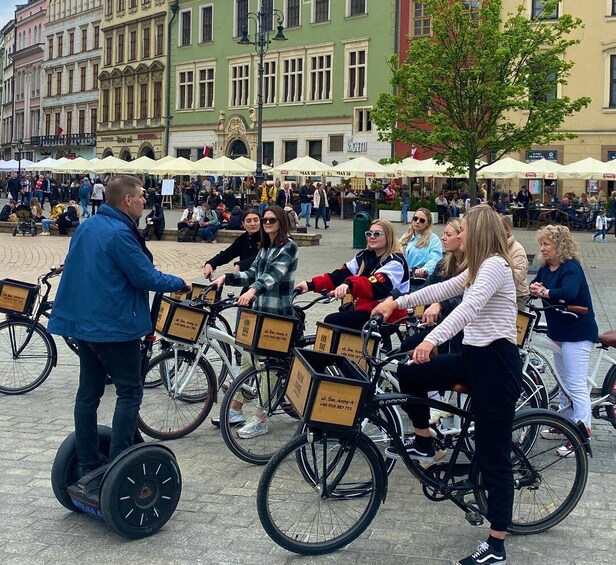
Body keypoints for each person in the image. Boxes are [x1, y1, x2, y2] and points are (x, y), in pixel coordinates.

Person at [373, 205, 522, 565]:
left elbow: (467, 310)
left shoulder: (495, 267)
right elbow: (440, 289)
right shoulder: (476, 268)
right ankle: (424, 441)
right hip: (474, 358)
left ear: (479, 233)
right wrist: (395, 302)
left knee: (493, 456)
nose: (460, 233)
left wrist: (430, 340)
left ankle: (497, 543)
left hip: (497, 365)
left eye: (465, 229)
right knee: (409, 374)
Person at [47, 175, 190, 477]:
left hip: (85, 325)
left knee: (88, 393)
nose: (144, 202)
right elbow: (145, 277)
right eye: (140, 197)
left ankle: (88, 461)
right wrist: (181, 282)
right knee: (129, 392)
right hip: (112, 326)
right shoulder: (119, 234)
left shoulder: (89, 226)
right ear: (127, 200)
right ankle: (119, 464)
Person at [211, 205, 298, 438]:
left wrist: (252, 291)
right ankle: (236, 409)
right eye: (264, 220)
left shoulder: (289, 247)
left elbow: (271, 277)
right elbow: (251, 274)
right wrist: (226, 278)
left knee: (267, 368)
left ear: (281, 222)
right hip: (258, 314)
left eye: (271, 220)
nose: (267, 223)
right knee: (248, 361)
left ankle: (262, 418)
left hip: (276, 315)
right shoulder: (266, 247)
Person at [529, 225, 598, 453]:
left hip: (577, 333)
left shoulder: (571, 268)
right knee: (562, 380)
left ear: (559, 245)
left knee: (576, 384)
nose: (543, 248)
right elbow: (536, 285)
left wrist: (545, 292)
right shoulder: (546, 268)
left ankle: (581, 431)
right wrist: (534, 288)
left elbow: (568, 292)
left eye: (547, 244)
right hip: (558, 332)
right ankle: (565, 424)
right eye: (541, 244)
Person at [296, 219, 409, 332]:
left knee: (332, 321)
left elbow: (375, 285)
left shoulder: (395, 261)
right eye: (369, 233)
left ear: (389, 237)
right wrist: (310, 285)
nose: (372, 237)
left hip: (387, 315)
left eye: (377, 234)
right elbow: (339, 275)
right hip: (366, 309)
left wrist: (348, 284)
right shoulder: (364, 256)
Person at [400, 218, 465, 355]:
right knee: (406, 347)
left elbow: (465, 298)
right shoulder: (443, 263)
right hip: (437, 324)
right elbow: (427, 287)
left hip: (459, 330)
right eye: (443, 234)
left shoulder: (472, 268)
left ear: (461, 237)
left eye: (448, 235)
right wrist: (396, 297)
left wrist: (440, 304)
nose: (443, 238)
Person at [204, 208, 261, 280]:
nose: (253, 224)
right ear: (243, 224)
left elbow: (261, 257)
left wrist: (240, 265)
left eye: (256, 220)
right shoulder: (243, 239)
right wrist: (211, 263)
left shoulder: (267, 238)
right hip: (248, 280)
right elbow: (227, 254)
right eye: (248, 221)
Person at [400, 207, 443, 279]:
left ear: (428, 224)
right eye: (415, 218)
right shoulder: (406, 236)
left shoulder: (433, 239)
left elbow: (435, 258)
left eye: (422, 220)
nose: (417, 221)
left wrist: (425, 269)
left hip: (420, 279)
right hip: (403, 276)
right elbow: (394, 250)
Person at [501, 215, 528, 310]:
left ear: (507, 230)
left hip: (517, 296)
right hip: (500, 296)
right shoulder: (494, 248)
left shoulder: (517, 250)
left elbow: (517, 277)